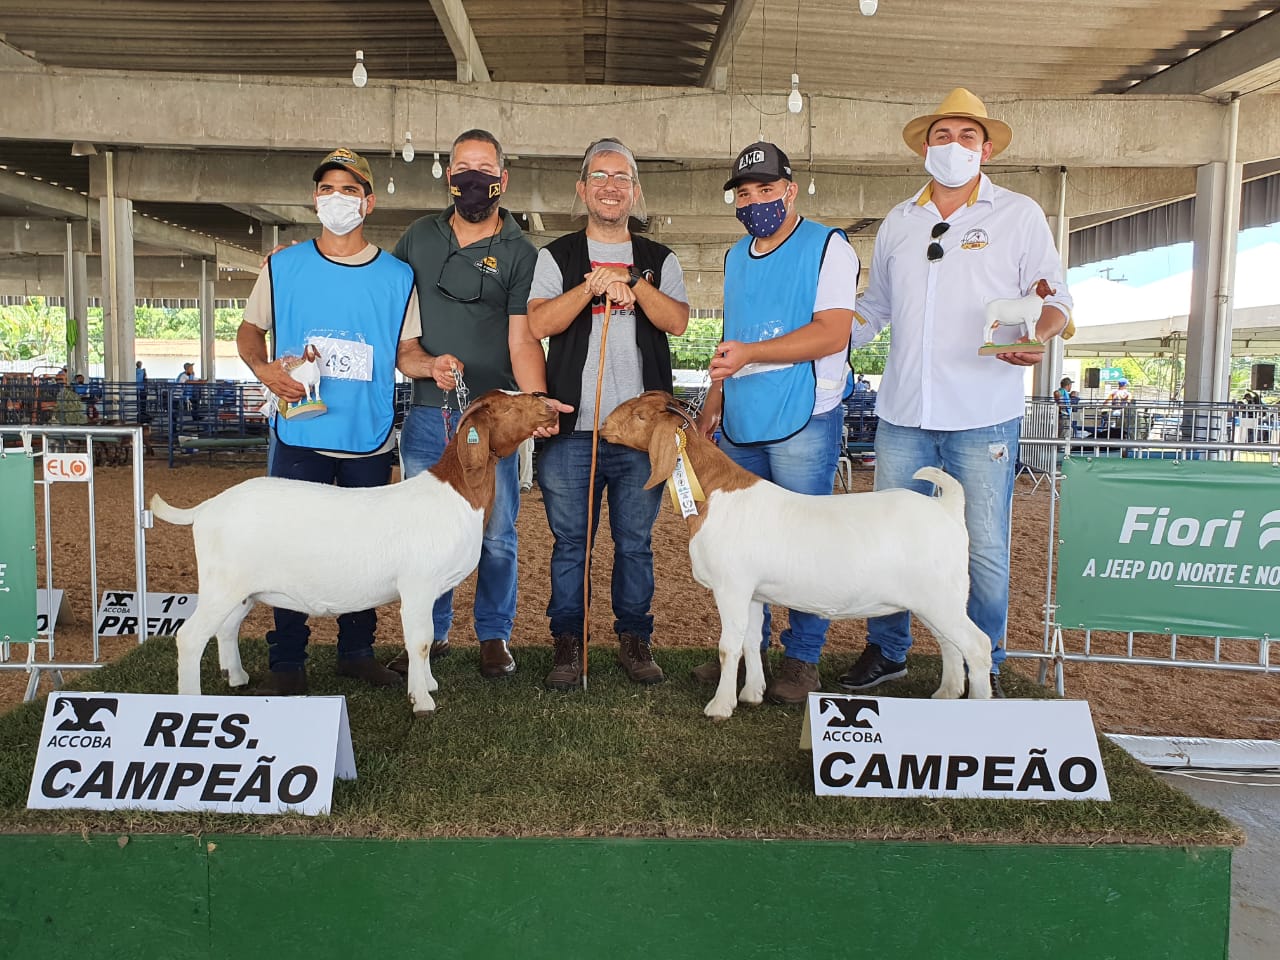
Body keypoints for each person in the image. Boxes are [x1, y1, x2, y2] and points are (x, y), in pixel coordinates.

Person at [838, 88, 1073, 700]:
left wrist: (1040, 338)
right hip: (903, 413)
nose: (953, 146)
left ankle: (984, 657)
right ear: (925, 148)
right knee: (887, 537)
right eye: (942, 136)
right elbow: (874, 309)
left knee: (985, 543)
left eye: (967, 137)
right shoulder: (899, 220)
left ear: (986, 148)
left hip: (982, 413)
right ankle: (888, 650)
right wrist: (819, 333)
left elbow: (1055, 299)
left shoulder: (1018, 214)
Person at [235, 147, 431, 695]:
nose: (336, 198)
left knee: (366, 548)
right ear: (314, 198)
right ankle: (287, 661)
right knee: (289, 545)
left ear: (367, 203)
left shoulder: (396, 276)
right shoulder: (283, 265)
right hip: (300, 431)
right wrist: (264, 369)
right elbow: (250, 331)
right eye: (326, 188)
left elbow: (405, 352)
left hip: (367, 437)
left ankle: (357, 651)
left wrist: (431, 366)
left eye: (348, 189)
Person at [389, 128, 568, 680]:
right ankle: (433, 634)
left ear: (502, 180)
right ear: (448, 176)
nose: (473, 180)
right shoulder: (417, 238)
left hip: (494, 424)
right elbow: (398, 330)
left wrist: (536, 405)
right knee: (427, 532)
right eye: (462, 168)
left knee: (496, 530)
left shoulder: (521, 253)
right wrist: (426, 365)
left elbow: (522, 339)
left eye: (484, 171)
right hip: (427, 410)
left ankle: (494, 634)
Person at [691, 141, 860, 704]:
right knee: (743, 543)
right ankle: (747, 655)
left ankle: (803, 658)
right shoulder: (737, 255)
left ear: (790, 190)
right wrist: (715, 394)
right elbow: (731, 336)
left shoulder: (828, 246)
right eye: (744, 192)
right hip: (742, 414)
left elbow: (833, 332)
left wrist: (752, 357)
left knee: (805, 541)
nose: (755, 200)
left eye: (766, 189)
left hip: (803, 415)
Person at [527, 137, 690, 690]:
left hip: (640, 435)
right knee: (571, 543)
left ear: (635, 190)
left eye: (622, 177)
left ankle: (633, 638)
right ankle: (568, 644)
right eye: (600, 176)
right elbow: (540, 323)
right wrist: (590, 286)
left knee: (636, 542)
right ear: (582, 189)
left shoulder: (659, 259)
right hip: (573, 429)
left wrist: (634, 284)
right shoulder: (557, 256)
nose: (611, 186)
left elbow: (677, 322)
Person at [1055, 376, 1074, 440]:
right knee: (1064, 433)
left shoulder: (1065, 393)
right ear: (1068, 385)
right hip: (1064, 415)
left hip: (1065, 415)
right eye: (1070, 385)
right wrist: (1059, 402)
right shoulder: (1062, 390)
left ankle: (1063, 448)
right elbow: (1056, 393)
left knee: (1066, 432)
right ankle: (1062, 448)